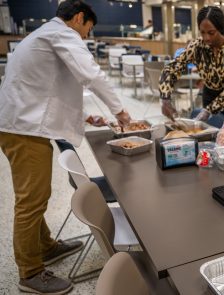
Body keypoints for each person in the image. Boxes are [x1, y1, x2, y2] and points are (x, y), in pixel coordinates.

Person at [0, 1, 131, 294]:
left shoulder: (45, 34)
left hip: (20, 123)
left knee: (37, 194)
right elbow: (91, 74)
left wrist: (85, 116)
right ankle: (30, 272)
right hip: (23, 128)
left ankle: (45, 245)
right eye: (88, 29)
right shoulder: (63, 34)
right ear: (79, 18)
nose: (86, 35)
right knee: (30, 200)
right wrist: (120, 111)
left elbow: (50, 85)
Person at [159, 6, 224, 144]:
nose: (206, 37)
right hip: (210, 94)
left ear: (221, 29)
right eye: (202, 32)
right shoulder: (197, 47)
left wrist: (208, 111)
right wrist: (165, 97)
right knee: (206, 137)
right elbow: (171, 69)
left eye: (211, 32)